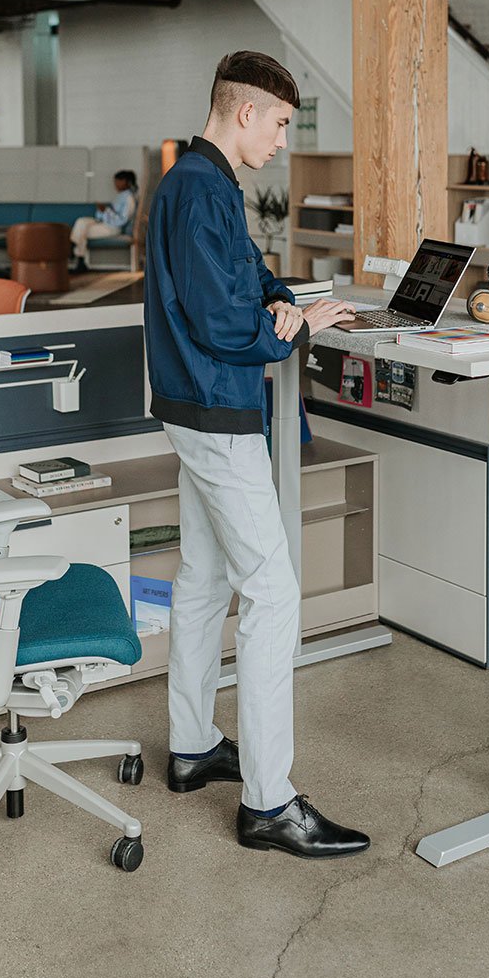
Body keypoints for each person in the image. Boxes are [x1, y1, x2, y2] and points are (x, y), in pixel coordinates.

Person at [143, 50, 368, 859]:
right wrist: (299, 326)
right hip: (215, 410)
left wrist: (281, 298)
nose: (281, 141)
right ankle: (271, 804)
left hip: (194, 406)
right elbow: (219, 323)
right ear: (245, 113)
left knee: (204, 580)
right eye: (278, 124)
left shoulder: (201, 183)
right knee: (273, 595)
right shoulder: (202, 191)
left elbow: (240, 280)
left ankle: (195, 745)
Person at [70, 169, 138, 273]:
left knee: (80, 232)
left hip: (112, 228)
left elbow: (122, 220)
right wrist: (103, 211)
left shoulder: (129, 199)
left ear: (126, 181)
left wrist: (105, 211)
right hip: (103, 223)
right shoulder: (120, 196)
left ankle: (78, 256)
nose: (116, 184)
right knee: (81, 222)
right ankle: (75, 251)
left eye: (118, 181)